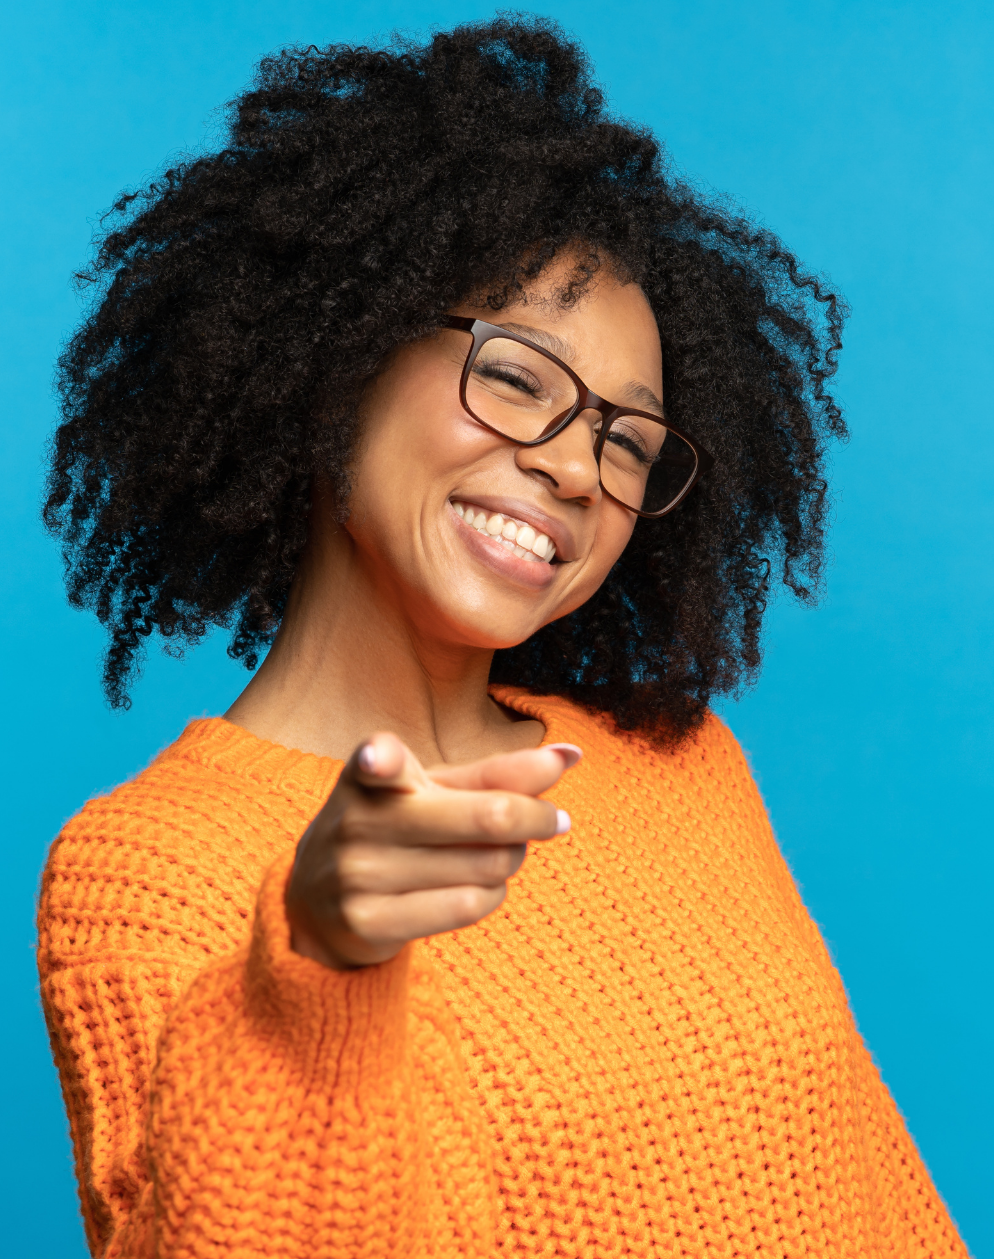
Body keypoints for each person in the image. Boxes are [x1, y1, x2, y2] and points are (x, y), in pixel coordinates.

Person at [37, 17, 967, 1259]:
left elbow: (878, 1193)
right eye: (519, 376)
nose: (577, 465)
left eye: (627, 440)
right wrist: (316, 971)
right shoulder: (145, 873)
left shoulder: (677, 765)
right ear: (340, 355)